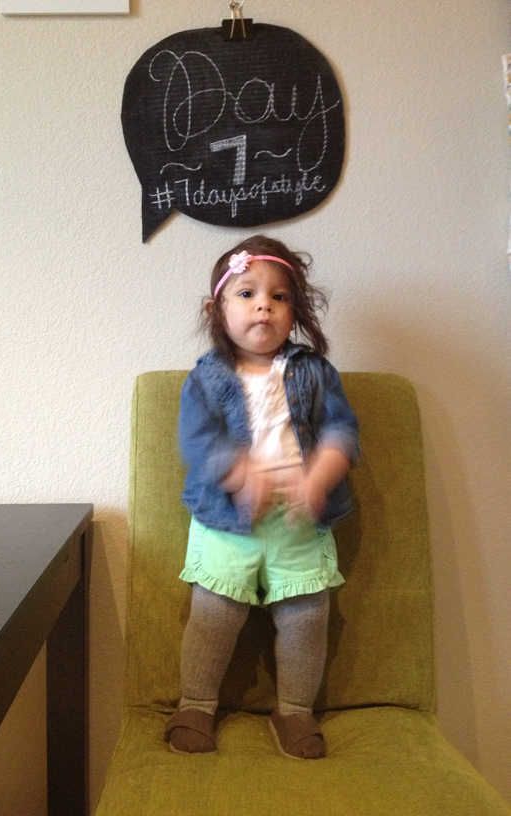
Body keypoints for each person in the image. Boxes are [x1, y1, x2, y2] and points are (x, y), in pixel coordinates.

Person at [164, 235, 360, 759]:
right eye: (247, 293)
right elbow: (197, 440)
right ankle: (195, 705)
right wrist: (238, 472)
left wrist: (319, 477)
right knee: (214, 617)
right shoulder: (206, 377)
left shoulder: (315, 372)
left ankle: (294, 710)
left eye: (279, 296)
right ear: (218, 310)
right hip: (228, 521)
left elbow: (342, 431)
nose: (264, 307)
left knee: (307, 619)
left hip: (299, 520)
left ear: (295, 310)